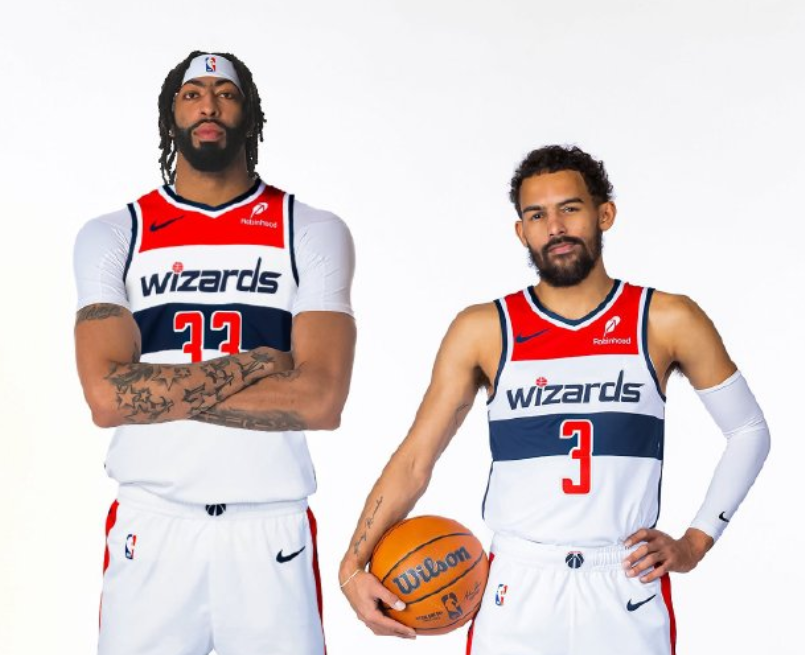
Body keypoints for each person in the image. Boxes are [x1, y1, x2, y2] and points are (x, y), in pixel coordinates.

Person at [339, 145, 769, 654]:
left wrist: (695, 542)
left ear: (604, 214)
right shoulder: (484, 329)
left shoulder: (664, 319)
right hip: (519, 583)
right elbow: (416, 459)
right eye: (537, 215)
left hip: (624, 581)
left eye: (570, 208)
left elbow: (749, 432)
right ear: (521, 231)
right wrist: (352, 566)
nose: (555, 227)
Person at [74, 51, 356, 655]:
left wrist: (151, 391)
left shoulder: (307, 229)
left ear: (249, 114)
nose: (209, 105)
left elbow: (321, 401)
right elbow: (105, 399)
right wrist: (259, 363)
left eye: (225, 94)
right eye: (192, 93)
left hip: (270, 530)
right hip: (153, 523)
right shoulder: (116, 233)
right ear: (170, 115)